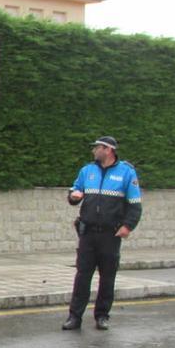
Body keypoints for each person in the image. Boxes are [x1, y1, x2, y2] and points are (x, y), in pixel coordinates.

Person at [62, 136, 142, 331]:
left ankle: (102, 316)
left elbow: (135, 206)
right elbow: (74, 192)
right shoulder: (87, 170)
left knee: (107, 277)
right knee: (82, 276)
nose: (93, 151)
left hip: (110, 235)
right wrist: (73, 196)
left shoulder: (126, 173)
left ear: (108, 150)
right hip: (88, 233)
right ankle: (74, 317)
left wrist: (127, 226)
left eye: (96, 147)